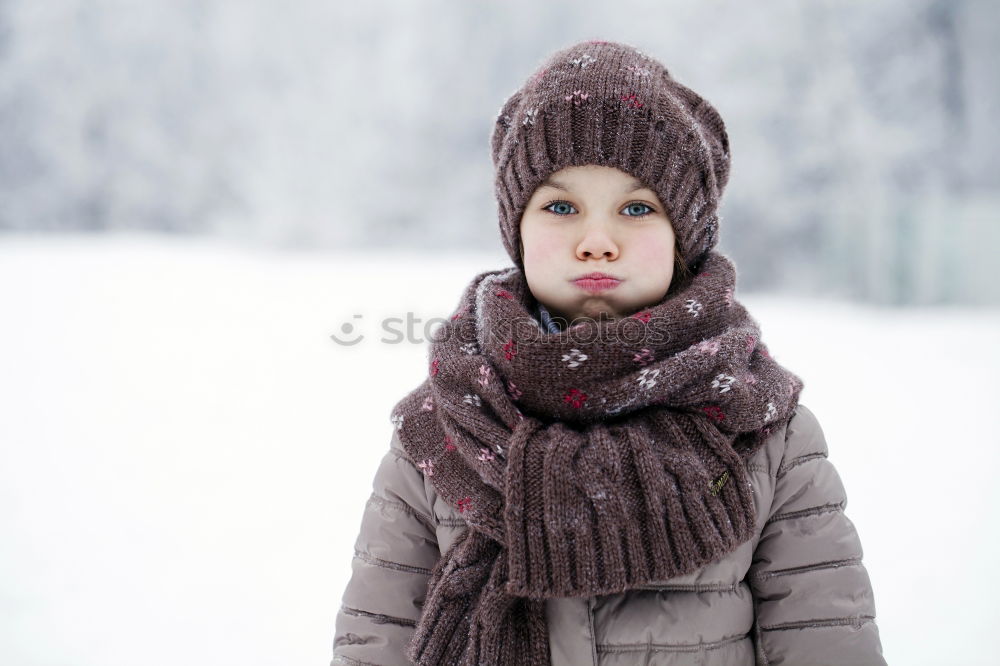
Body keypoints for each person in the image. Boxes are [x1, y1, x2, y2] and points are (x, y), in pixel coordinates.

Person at [330, 39, 886, 666]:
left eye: (637, 207)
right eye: (561, 206)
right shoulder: (442, 431)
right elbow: (375, 641)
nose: (597, 241)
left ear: (686, 237)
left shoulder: (765, 433)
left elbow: (828, 644)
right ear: (518, 230)